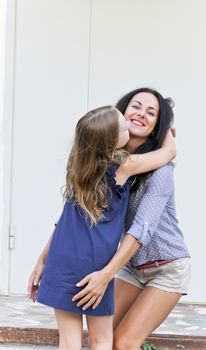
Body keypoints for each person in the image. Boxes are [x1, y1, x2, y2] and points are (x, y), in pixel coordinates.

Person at [29, 104, 175, 350]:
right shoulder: (123, 166)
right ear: (112, 141)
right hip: (95, 264)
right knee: (101, 340)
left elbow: (66, 220)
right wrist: (166, 127)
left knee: (68, 342)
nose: (129, 124)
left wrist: (42, 259)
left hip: (60, 260)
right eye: (123, 125)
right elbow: (169, 152)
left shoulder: (78, 169)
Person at [70, 88, 191, 350]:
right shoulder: (107, 163)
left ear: (158, 126)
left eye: (151, 113)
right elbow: (77, 213)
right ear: (121, 112)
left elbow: (141, 229)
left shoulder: (161, 172)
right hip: (132, 267)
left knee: (124, 343)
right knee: (100, 338)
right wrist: (45, 257)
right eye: (136, 106)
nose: (141, 114)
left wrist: (105, 275)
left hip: (167, 267)